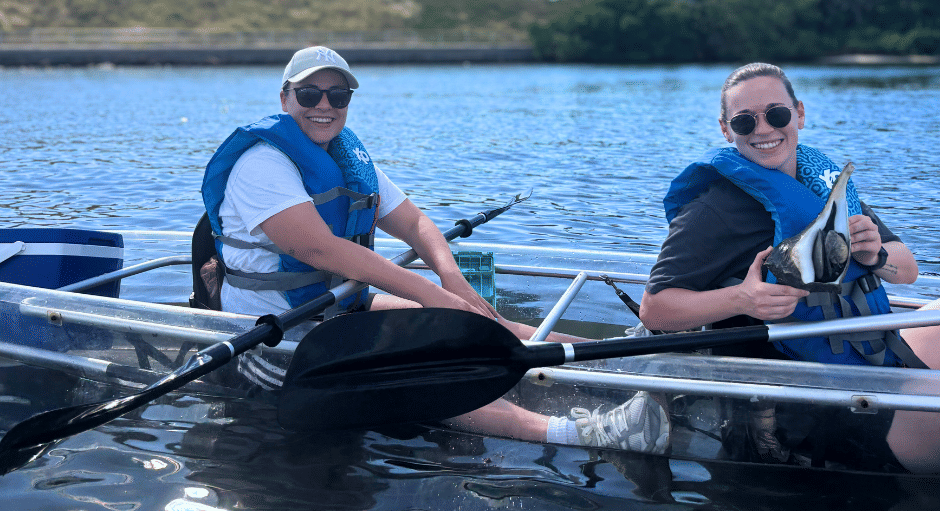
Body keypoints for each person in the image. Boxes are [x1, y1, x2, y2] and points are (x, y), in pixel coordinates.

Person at [202, 45, 670, 454]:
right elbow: (320, 250)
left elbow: (416, 222)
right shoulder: (262, 163)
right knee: (419, 365)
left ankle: (614, 357)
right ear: (285, 98)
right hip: (278, 333)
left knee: (483, 321)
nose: (324, 105)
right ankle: (580, 434)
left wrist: (452, 280)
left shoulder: (344, 157)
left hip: (339, 307)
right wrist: (429, 295)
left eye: (337, 95)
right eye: (309, 94)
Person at [639, 62, 940, 473]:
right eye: (745, 121)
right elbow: (656, 310)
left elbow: (908, 272)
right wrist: (743, 298)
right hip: (805, 405)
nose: (763, 130)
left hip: (874, 360)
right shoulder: (714, 210)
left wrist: (876, 256)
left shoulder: (825, 187)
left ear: (799, 113)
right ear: (726, 130)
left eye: (776, 114)